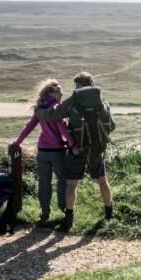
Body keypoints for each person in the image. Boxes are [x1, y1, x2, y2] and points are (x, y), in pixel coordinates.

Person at [33, 71, 115, 229]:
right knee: (102, 181)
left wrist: (38, 111)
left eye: (75, 85)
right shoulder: (102, 101)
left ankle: (69, 219)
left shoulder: (72, 101)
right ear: (91, 84)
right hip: (96, 150)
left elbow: (52, 115)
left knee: (72, 185)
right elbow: (111, 126)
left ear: (78, 85)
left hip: (77, 150)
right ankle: (109, 213)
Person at [9, 79, 77, 223]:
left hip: (42, 151)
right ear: (52, 92)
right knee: (62, 180)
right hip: (58, 151)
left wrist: (17, 143)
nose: (62, 95)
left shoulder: (40, 109)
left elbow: (29, 127)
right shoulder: (56, 109)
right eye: (60, 92)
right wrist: (72, 146)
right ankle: (63, 208)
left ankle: (45, 212)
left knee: (44, 182)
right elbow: (63, 130)